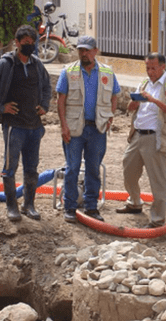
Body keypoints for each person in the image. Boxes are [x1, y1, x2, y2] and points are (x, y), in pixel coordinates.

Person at [0, 25, 51, 222]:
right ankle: (12, 206)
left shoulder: (37, 64)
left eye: (32, 42)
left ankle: (29, 205)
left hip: (34, 126)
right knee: (10, 167)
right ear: (17, 43)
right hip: (14, 126)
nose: (29, 45)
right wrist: (0, 107)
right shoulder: (6, 64)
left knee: (32, 167)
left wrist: (45, 105)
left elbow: (46, 85)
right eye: (25, 42)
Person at [56, 36, 120, 223]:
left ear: (95, 51)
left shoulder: (107, 72)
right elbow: (61, 100)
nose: (84, 54)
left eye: (87, 50)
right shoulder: (68, 72)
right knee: (72, 168)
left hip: (97, 129)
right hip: (75, 128)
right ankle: (70, 207)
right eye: (81, 50)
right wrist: (63, 125)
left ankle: (91, 207)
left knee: (93, 169)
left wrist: (110, 116)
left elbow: (115, 96)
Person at [117, 53, 166, 228]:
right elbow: (136, 107)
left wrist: (154, 100)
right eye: (147, 67)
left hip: (155, 137)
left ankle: (157, 219)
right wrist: (133, 105)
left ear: (163, 67)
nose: (150, 71)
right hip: (137, 135)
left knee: (157, 180)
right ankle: (135, 202)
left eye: (153, 68)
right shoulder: (144, 84)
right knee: (128, 169)